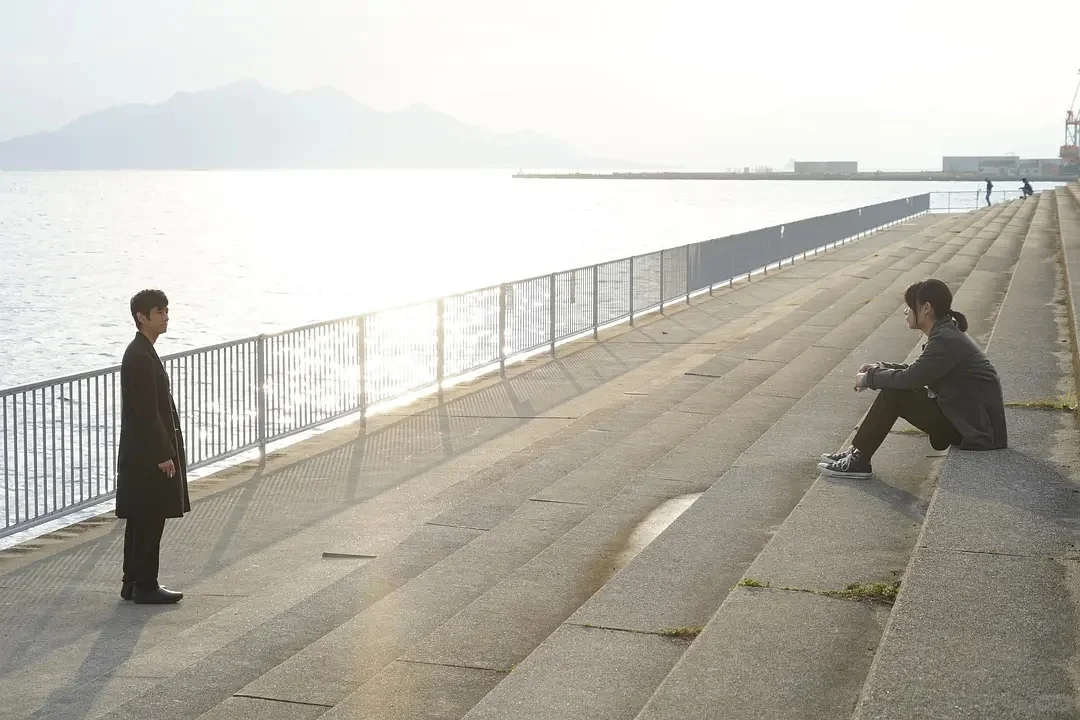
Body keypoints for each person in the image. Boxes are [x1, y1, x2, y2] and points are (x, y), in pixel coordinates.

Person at [818, 279, 1007, 479]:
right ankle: (858, 452)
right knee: (896, 390)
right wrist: (879, 368)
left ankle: (859, 459)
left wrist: (869, 379)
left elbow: (911, 378)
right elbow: (919, 371)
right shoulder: (946, 332)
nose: (905, 311)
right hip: (967, 422)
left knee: (894, 395)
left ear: (926, 308)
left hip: (976, 431)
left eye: (909, 306)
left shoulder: (946, 339)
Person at [116, 289, 190, 604]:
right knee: (149, 518)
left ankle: (132, 582)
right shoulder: (140, 357)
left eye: (166, 311)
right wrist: (163, 454)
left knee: (140, 517)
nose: (165, 317)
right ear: (141, 317)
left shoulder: (142, 352)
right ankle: (145, 585)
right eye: (159, 312)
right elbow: (147, 412)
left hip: (139, 452)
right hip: (147, 454)